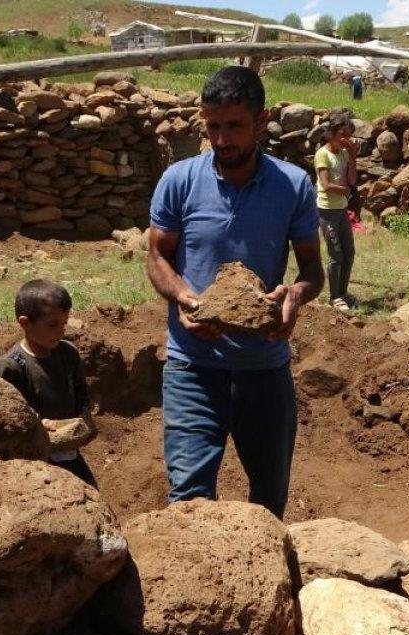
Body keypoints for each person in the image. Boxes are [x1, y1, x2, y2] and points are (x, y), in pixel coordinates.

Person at [146, 66, 324, 519]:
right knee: (188, 499)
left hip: (264, 369)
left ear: (262, 121)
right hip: (192, 365)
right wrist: (184, 298)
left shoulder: (293, 185)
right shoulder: (179, 180)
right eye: (212, 126)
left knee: (269, 495)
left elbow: (311, 271)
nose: (222, 140)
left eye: (234, 126)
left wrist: (294, 298)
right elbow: (157, 258)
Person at [0, 279, 97, 486]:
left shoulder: (68, 353)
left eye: (64, 323)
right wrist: (37, 423)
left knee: (90, 492)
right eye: (52, 325)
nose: (61, 331)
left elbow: (80, 391)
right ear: (25, 323)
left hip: (68, 450)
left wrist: (84, 416)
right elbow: (1, 414)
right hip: (32, 458)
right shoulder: (11, 368)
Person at [314, 112, 359, 312]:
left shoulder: (343, 153)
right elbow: (325, 185)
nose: (345, 139)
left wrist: (353, 156)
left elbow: (352, 180)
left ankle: (343, 291)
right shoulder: (323, 154)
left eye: (348, 135)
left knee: (349, 252)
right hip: (327, 210)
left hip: (341, 209)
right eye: (342, 134)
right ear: (331, 134)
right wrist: (346, 191)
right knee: (336, 254)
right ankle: (334, 297)